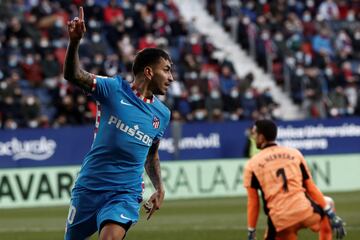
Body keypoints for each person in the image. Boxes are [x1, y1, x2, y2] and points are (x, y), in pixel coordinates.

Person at [63, 7, 174, 240]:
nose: (171, 77)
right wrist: (74, 43)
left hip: (125, 192)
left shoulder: (162, 114)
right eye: (166, 70)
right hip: (90, 186)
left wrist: (159, 187)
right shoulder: (113, 89)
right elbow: (74, 75)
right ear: (149, 71)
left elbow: (151, 155)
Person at [243, 120, 346, 240]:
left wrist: (251, 231)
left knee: (285, 232)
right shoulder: (295, 153)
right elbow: (310, 188)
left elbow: (253, 202)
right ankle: (327, 208)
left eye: (254, 134)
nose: (253, 137)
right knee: (325, 208)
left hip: (281, 220)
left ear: (261, 137)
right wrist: (331, 214)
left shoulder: (252, 164)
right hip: (306, 212)